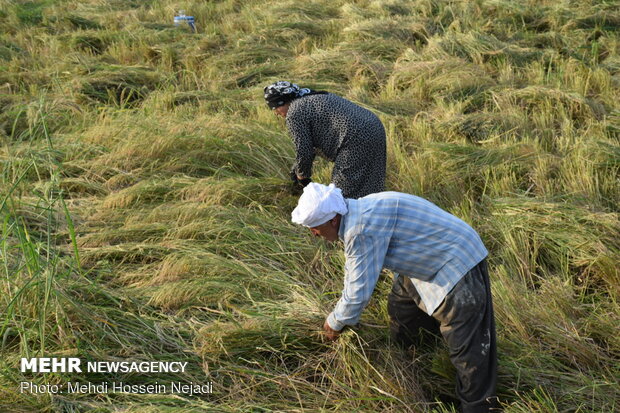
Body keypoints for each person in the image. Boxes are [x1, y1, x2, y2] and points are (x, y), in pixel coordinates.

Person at [291, 183, 499, 413]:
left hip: (456, 262)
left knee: (467, 348)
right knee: (402, 307)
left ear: (332, 220)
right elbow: (355, 270)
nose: (313, 234)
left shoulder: (359, 229)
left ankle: (478, 406)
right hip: (426, 257)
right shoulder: (360, 209)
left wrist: (335, 323)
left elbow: (357, 293)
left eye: (314, 228)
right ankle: (418, 360)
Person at [264, 81, 386, 199]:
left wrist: (302, 177)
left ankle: (349, 218)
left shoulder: (294, 112)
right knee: (371, 181)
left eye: (275, 108)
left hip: (356, 138)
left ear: (283, 102)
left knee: (342, 194)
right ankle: (374, 212)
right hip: (374, 127)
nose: (275, 113)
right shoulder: (314, 96)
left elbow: (304, 149)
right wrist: (297, 169)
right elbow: (310, 146)